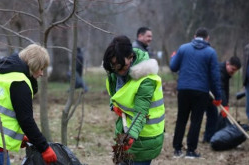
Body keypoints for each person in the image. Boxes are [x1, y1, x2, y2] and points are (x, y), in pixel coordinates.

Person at [0, 44, 57, 164]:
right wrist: (44, 148)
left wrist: (18, 136)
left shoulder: (1, 74)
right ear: (34, 65)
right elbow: (26, 120)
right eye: (41, 68)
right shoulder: (20, 82)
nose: (42, 73)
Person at [103, 35, 165, 165]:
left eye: (120, 65)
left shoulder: (146, 79)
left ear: (131, 57)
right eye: (114, 65)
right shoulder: (115, 71)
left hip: (145, 137)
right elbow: (116, 95)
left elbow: (141, 112)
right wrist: (113, 106)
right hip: (125, 131)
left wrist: (130, 136)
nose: (118, 69)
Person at [170, 27, 222, 158]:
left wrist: (173, 57)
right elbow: (215, 77)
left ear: (194, 36)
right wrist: (218, 96)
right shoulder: (211, 52)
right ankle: (191, 151)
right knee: (196, 121)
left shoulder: (183, 48)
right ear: (207, 38)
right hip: (201, 91)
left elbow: (173, 67)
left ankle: (177, 149)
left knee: (181, 119)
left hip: (183, 89)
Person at [203, 56, 241, 142]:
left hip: (210, 95)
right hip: (204, 93)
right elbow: (220, 87)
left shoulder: (226, 73)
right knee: (204, 116)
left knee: (212, 116)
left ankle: (208, 137)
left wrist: (226, 103)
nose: (233, 72)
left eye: (235, 70)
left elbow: (225, 89)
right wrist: (224, 104)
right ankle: (206, 137)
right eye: (233, 69)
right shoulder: (220, 70)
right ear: (227, 64)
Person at [242, 28, 249, 126]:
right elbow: (245, 65)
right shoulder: (247, 48)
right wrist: (244, 82)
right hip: (248, 82)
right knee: (248, 107)